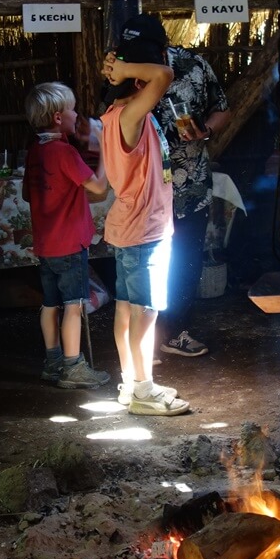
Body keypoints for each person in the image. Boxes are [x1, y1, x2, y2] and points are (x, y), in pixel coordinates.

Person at [117, 13, 229, 359]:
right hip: (146, 189)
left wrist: (205, 131)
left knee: (185, 262)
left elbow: (223, 109)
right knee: (145, 265)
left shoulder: (194, 66)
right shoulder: (123, 67)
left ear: (164, 48)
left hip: (189, 184)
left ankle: (175, 331)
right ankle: (143, 339)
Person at [100, 35, 188, 416]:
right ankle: (143, 390)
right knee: (145, 313)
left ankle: (131, 384)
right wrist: (126, 70)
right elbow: (164, 75)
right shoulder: (129, 115)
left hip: (133, 229)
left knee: (128, 310)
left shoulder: (121, 116)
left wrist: (122, 70)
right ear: (139, 82)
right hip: (143, 233)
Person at [21, 81, 109, 390]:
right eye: (72, 110)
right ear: (58, 117)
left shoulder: (36, 151)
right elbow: (98, 187)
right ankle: (73, 367)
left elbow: (28, 194)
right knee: (73, 305)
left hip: (46, 246)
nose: (77, 115)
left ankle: (53, 362)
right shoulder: (64, 151)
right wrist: (107, 154)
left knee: (50, 304)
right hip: (70, 245)